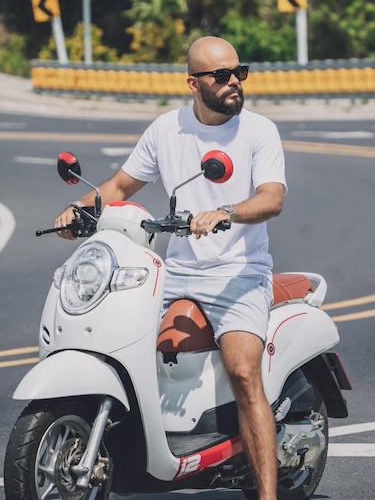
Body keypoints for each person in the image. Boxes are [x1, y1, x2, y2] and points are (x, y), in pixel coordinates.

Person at [55, 36, 287, 500]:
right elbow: (122, 183)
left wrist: (227, 212)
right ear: (192, 83)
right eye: (221, 76)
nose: (233, 84)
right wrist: (77, 209)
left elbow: (271, 198)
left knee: (244, 372)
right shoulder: (167, 129)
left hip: (239, 271)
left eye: (239, 73)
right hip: (175, 269)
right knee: (115, 334)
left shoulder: (259, 131)